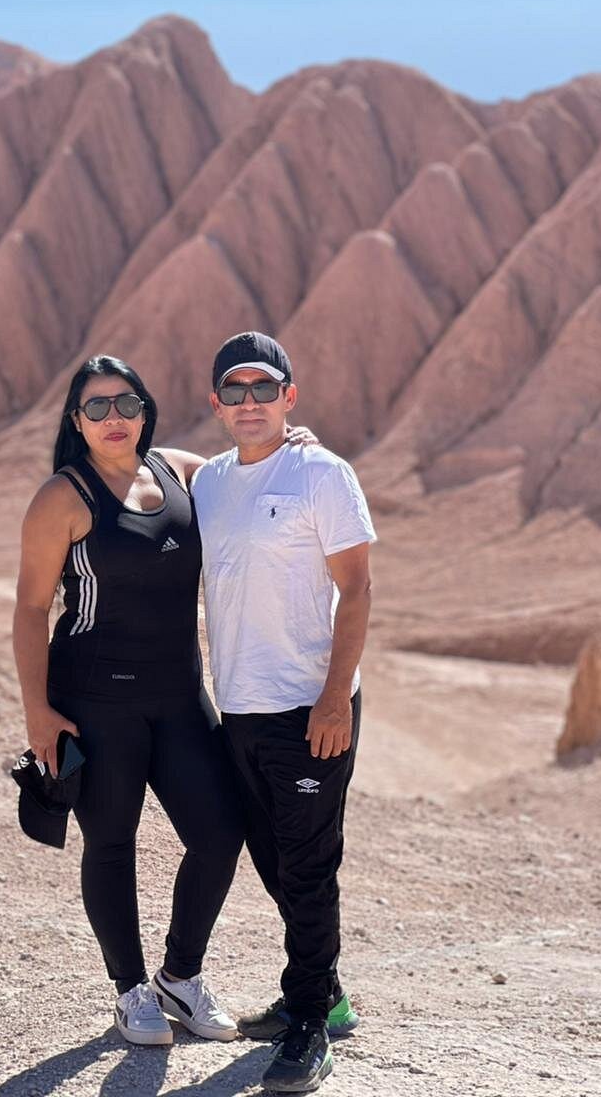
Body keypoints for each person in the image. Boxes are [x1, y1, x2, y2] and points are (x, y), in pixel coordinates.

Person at [12, 354, 245, 1047]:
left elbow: (246, 471)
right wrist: (37, 711)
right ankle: (130, 990)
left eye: (126, 404)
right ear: (74, 421)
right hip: (93, 699)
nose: (114, 419)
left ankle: (181, 974)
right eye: (96, 407)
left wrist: (295, 448)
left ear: (147, 409)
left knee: (219, 833)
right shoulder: (63, 497)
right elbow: (30, 609)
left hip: (180, 695)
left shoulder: (181, 470)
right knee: (111, 842)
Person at [191, 331, 376, 1094]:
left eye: (263, 389)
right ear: (217, 405)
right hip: (240, 704)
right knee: (272, 858)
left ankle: (307, 1024)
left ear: (289, 397)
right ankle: (324, 993)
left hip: (310, 707)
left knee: (308, 866)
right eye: (233, 391)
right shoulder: (207, 482)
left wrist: (335, 697)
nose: (249, 403)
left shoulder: (323, 474)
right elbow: (148, 465)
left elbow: (358, 588)